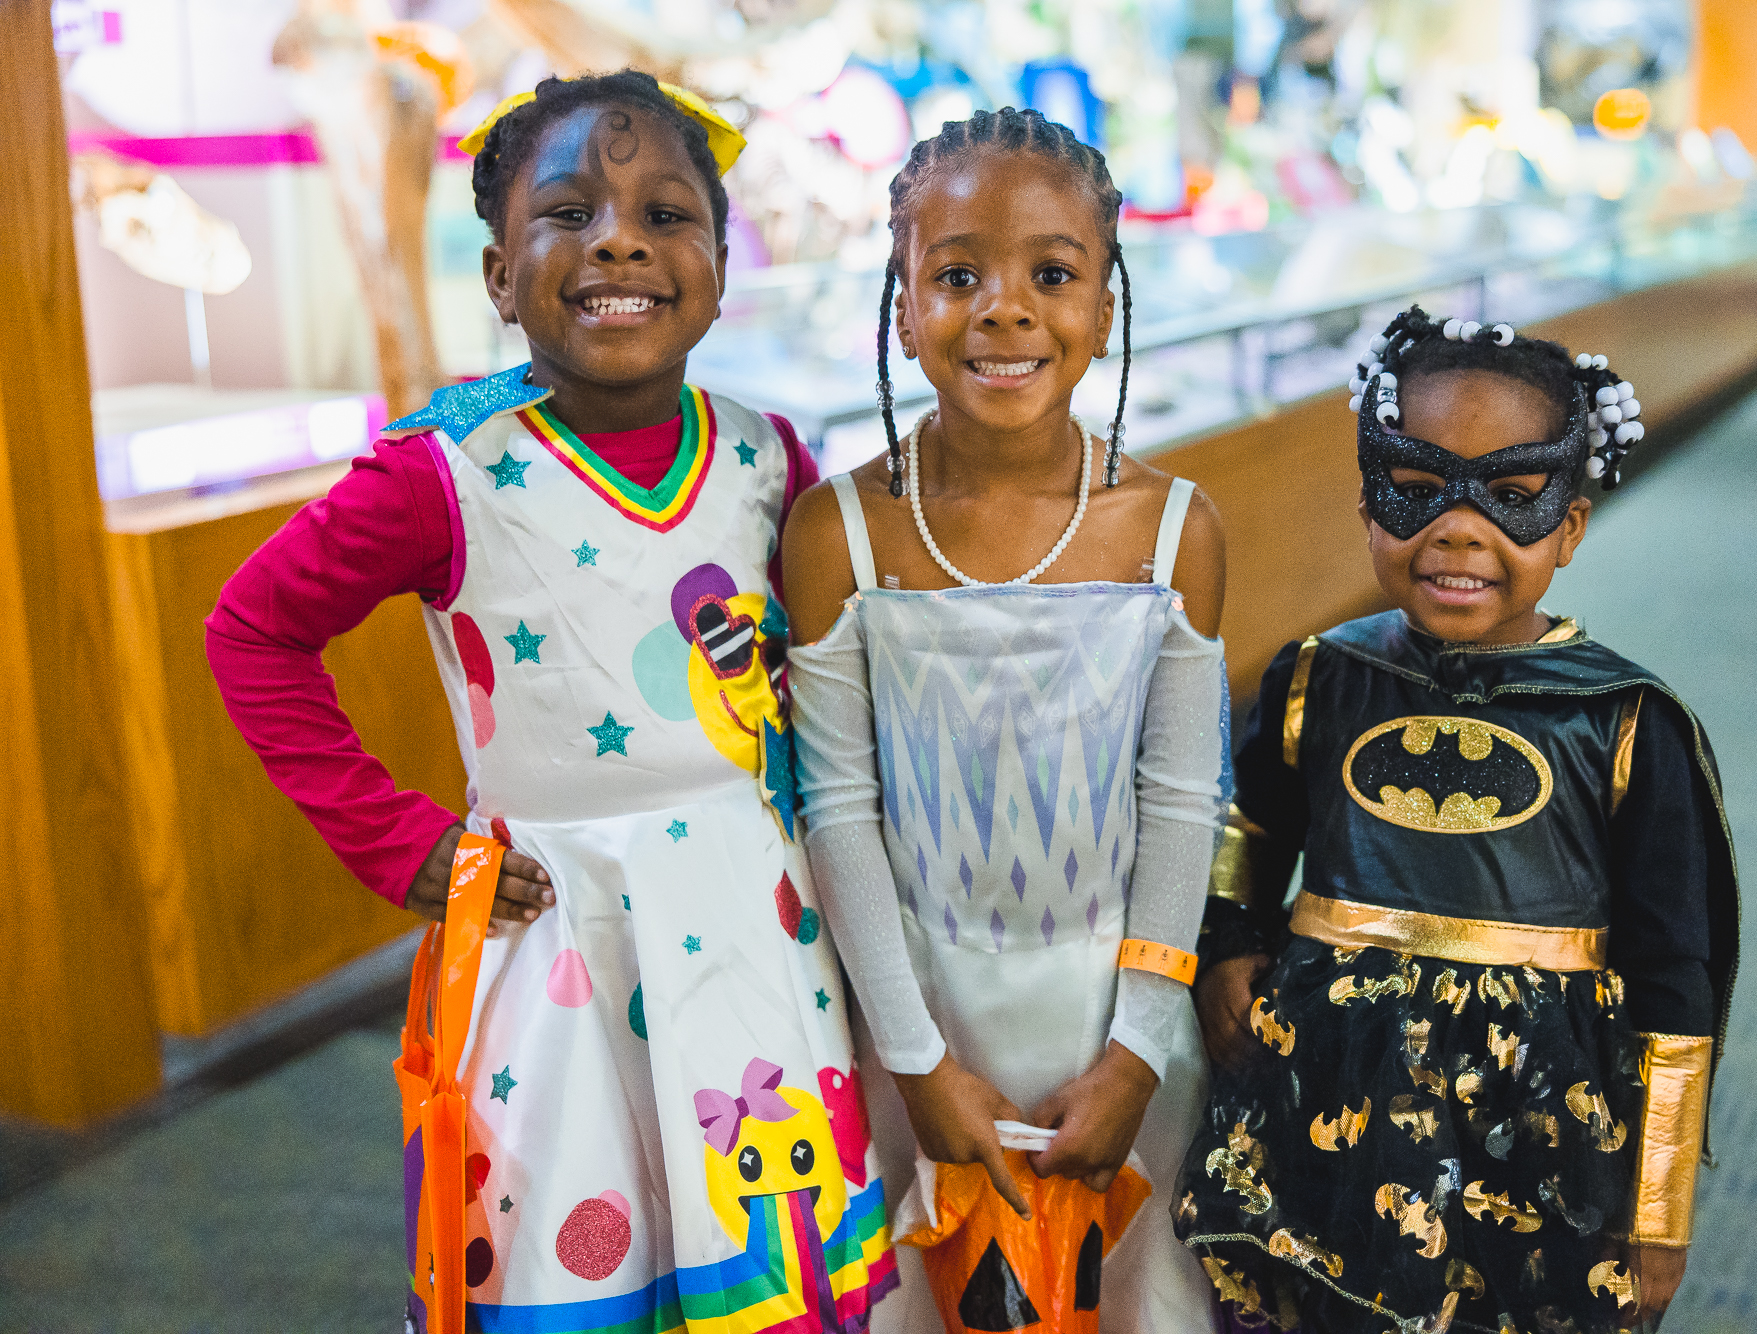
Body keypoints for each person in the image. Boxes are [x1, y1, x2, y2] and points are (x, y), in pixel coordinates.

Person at [206, 71, 896, 1333]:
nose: (618, 240)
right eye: (568, 212)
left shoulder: (771, 456)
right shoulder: (442, 473)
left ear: (723, 259)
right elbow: (253, 629)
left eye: (664, 213)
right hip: (563, 941)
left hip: (757, 928)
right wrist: (396, 837)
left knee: (769, 1248)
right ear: (494, 272)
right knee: (574, 1249)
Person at [1175, 307, 1738, 1334]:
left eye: (1513, 499)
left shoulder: (1619, 720)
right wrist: (1227, 947)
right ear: (1366, 503)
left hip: (1527, 1120)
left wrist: (1656, 1204)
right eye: (1417, 491)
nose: (1459, 530)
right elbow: (1243, 837)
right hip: (1328, 1087)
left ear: (1568, 526)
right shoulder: (1317, 677)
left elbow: (1675, 971)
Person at [781, 107, 1230, 1331]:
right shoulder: (841, 535)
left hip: (1115, 1012)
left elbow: (1183, 800)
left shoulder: (1174, 529)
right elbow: (839, 804)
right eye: (956, 275)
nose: (1004, 309)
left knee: (1124, 1285)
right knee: (936, 1290)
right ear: (899, 304)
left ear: (1104, 302)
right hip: (920, 1009)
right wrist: (916, 1059)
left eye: (1050, 274)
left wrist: (1139, 1046)